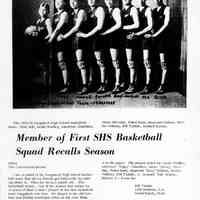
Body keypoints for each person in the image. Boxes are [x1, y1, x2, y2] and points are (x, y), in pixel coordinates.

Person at [57, 0, 89, 94]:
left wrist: (64, 36)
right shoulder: (71, 13)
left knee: (80, 62)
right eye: (71, 1)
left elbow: (76, 27)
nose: (73, 3)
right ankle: (71, 85)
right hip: (73, 40)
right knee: (72, 63)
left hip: (80, 39)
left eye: (75, 1)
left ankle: (85, 86)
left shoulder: (81, 12)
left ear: (79, 2)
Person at [77, 0, 107, 94]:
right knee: (89, 62)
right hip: (89, 40)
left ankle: (103, 84)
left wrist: (86, 35)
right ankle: (89, 84)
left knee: (100, 62)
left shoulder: (100, 9)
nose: (91, 1)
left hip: (97, 39)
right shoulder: (88, 11)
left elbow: (99, 26)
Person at [24, 2, 52, 85]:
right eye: (41, 9)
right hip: (36, 45)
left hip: (43, 45)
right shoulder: (37, 21)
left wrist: (43, 39)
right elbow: (28, 32)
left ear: (47, 12)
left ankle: (46, 86)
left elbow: (50, 34)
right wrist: (30, 32)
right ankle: (39, 83)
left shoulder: (48, 20)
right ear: (39, 11)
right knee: (37, 64)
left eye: (45, 10)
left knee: (44, 66)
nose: (43, 11)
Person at [129, 0, 153, 94]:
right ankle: (137, 84)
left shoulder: (148, 10)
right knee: (136, 61)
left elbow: (150, 26)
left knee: (146, 61)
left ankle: (148, 85)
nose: (141, 0)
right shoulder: (136, 10)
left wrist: (138, 33)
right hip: (137, 40)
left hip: (145, 39)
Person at [48, 0, 70, 93]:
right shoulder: (55, 15)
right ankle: (61, 84)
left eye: (60, 1)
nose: (57, 3)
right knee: (58, 63)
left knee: (62, 62)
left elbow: (58, 29)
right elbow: (51, 30)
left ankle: (67, 85)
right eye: (56, 1)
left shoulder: (64, 14)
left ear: (64, 4)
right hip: (55, 42)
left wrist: (50, 39)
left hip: (62, 41)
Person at [101, 0, 122, 93]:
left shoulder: (116, 10)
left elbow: (119, 24)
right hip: (107, 40)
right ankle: (108, 83)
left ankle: (118, 84)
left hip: (114, 39)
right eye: (107, 0)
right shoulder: (106, 11)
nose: (109, 1)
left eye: (111, 0)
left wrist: (106, 32)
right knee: (107, 62)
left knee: (115, 62)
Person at [150, 0, 170, 94]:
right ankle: (155, 83)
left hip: (163, 39)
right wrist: (151, 34)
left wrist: (155, 35)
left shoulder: (167, 9)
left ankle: (163, 85)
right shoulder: (153, 10)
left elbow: (166, 24)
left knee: (163, 62)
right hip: (154, 39)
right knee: (153, 61)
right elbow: (151, 25)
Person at [122, 0, 139, 93]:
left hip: (130, 38)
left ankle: (132, 84)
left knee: (130, 62)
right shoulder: (122, 10)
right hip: (122, 39)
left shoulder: (133, 9)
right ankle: (126, 82)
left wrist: (124, 27)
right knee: (124, 62)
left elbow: (137, 24)